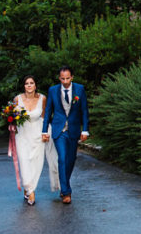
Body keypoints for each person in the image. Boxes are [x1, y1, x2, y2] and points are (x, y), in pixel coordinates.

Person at [41, 66, 89, 204]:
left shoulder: (79, 89)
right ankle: (66, 191)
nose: (65, 81)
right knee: (62, 158)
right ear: (59, 78)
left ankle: (64, 183)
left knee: (71, 159)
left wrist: (85, 129)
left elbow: (84, 111)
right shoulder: (53, 90)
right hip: (59, 130)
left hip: (73, 129)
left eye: (68, 78)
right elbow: (48, 111)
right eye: (63, 78)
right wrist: (44, 130)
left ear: (72, 77)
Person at [12, 76, 59, 205]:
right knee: (24, 162)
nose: (29, 85)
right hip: (22, 134)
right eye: (26, 83)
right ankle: (30, 191)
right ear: (24, 86)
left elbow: (45, 117)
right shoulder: (17, 99)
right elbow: (13, 117)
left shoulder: (42, 98)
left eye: (31, 83)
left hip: (37, 134)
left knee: (36, 163)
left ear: (35, 85)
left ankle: (29, 188)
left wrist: (46, 132)